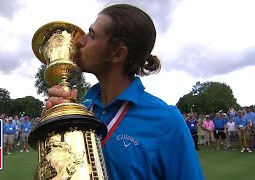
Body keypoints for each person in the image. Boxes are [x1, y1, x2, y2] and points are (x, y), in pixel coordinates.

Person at [45, 4, 204, 179]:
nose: (80, 41)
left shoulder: (166, 121)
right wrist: (53, 127)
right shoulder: (81, 109)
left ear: (117, 54)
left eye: (92, 35)